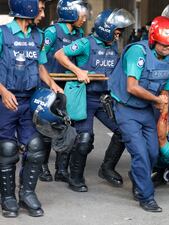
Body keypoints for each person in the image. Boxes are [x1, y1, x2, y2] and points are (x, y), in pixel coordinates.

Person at [109, 16, 169, 212]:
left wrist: (163, 103)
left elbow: (165, 87)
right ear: (153, 39)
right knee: (141, 153)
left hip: (146, 109)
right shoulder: (138, 52)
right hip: (126, 109)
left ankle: (138, 176)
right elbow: (132, 87)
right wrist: (157, 100)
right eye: (165, 45)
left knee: (153, 152)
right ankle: (146, 197)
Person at [54, 8, 133, 191]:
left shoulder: (113, 45)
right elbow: (59, 54)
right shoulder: (85, 43)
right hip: (85, 99)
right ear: (106, 28)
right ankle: (75, 177)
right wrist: (78, 71)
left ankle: (106, 168)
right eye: (116, 31)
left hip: (105, 99)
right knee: (84, 139)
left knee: (123, 131)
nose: (118, 35)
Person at [0, 0, 63, 217]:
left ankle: (27, 193)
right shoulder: (3, 34)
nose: (43, 14)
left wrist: (53, 85)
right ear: (26, 8)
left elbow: (40, 65)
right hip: (6, 100)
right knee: (7, 149)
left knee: (36, 147)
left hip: (30, 100)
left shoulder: (38, 35)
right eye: (41, 9)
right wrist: (3, 91)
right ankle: (7, 198)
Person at [38, 0, 88, 183]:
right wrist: (49, 80)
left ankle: (61, 169)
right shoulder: (53, 32)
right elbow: (40, 56)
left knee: (67, 126)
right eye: (81, 15)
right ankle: (43, 166)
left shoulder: (79, 33)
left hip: (69, 87)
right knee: (47, 127)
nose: (84, 19)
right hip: (50, 85)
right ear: (70, 14)